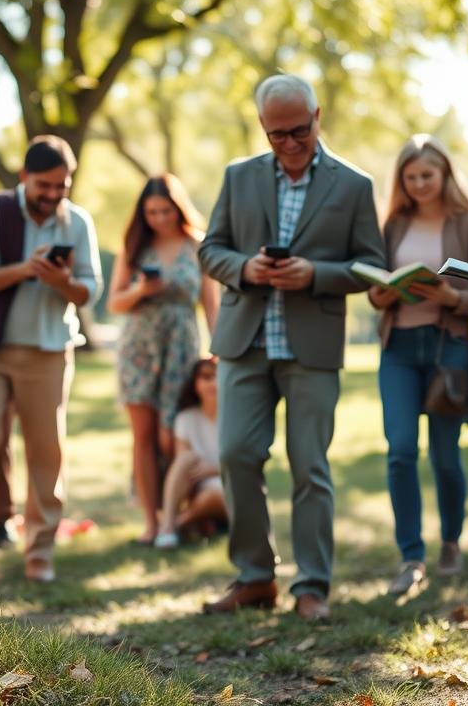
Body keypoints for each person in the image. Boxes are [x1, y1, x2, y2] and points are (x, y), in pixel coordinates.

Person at [198, 73, 386, 621]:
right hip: (245, 341)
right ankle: (255, 578)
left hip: (312, 346)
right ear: (262, 126)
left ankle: (312, 587)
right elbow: (210, 250)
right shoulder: (238, 176)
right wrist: (245, 268)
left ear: (317, 117)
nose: (289, 143)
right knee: (235, 455)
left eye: (299, 130)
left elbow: (370, 265)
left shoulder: (354, 185)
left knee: (310, 468)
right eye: (276, 134)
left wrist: (315, 274)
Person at [0, 135, 103, 584]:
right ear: (24, 177)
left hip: (48, 353)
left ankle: (40, 553)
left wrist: (62, 282)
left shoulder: (77, 222)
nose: (52, 194)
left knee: (46, 451)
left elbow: (91, 290)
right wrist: (24, 270)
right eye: (44, 185)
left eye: (61, 186)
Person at [367, 134, 468, 597]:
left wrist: (450, 296)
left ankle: (451, 542)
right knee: (400, 450)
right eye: (411, 177)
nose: (419, 184)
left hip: (448, 349)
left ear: (444, 175)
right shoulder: (392, 225)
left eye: (427, 175)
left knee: (445, 455)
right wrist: (380, 294)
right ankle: (411, 556)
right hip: (398, 347)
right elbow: (376, 286)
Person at [106, 174, 218, 546]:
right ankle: (152, 523)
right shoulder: (135, 246)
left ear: (178, 208)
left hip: (181, 348)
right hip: (138, 349)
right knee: (143, 438)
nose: (159, 218)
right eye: (152, 212)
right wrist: (141, 289)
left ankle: (185, 513)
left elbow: (210, 303)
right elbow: (115, 303)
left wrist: (219, 348)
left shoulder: (197, 245)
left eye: (165, 211)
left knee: (171, 436)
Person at [154, 357, 227, 549]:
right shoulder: (186, 418)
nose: (213, 383)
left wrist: (214, 469)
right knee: (186, 458)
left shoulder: (236, 417)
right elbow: (182, 462)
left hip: (228, 487)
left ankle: (177, 523)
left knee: (214, 494)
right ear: (195, 384)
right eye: (206, 377)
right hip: (198, 485)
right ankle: (171, 523)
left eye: (218, 377)